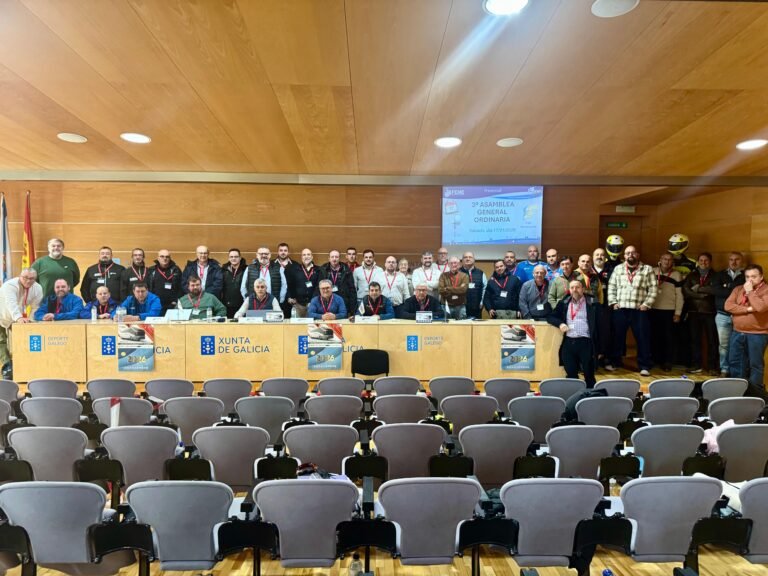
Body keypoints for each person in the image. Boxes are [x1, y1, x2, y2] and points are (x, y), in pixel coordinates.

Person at [607, 245, 657, 376]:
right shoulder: (618, 269)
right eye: (627, 253)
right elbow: (611, 287)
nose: (630, 255)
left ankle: (644, 365)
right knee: (617, 337)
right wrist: (613, 303)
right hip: (620, 309)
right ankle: (615, 362)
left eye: (633, 253)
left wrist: (647, 304)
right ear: (624, 256)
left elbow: (653, 289)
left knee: (643, 338)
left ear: (638, 255)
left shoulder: (647, 269)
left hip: (639, 310)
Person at [725, 264, 768, 399]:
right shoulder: (738, 289)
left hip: (758, 334)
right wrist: (748, 309)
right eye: (747, 277)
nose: (750, 280)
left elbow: (760, 307)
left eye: (754, 277)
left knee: (755, 365)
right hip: (737, 332)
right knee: (735, 362)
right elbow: (728, 306)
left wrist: (750, 293)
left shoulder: (766, 290)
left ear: (761, 277)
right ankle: (737, 393)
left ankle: (754, 396)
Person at [547, 279, 599, 387]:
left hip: (586, 342)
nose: (574, 290)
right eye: (572, 288)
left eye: (577, 287)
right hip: (569, 342)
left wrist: (601, 348)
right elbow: (550, 317)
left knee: (589, 374)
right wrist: (560, 324)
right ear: (569, 290)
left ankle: (591, 396)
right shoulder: (564, 303)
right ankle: (574, 397)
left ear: (583, 289)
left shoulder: (592, 303)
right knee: (571, 373)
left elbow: (602, 326)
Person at [0, 268, 43, 376]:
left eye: (31, 278)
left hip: (15, 317)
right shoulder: (10, 285)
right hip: (2, 313)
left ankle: (25, 364)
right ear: (20, 276)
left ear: (35, 279)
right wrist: (18, 318)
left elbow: (35, 307)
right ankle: (7, 367)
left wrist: (31, 322)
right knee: (1, 341)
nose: (28, 281)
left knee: (23, 338)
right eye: (25, 278)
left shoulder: (37, 288)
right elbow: (11, 303)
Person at [682, 252, 719, 374]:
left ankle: (712, 367)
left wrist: (698, 289)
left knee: (712, 340)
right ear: (698, 261)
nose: (704, 263)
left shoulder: (716, 276)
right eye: (701, 260)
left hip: (710, 311)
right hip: (693, 311)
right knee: (694, 339)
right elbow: (686, 291)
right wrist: (702, 294)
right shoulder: (691, 275)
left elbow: (714, 291)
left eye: (706, 260)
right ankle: (695, 365)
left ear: (710, 262)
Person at [712, 252, 745, 376]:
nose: (734, 262)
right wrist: (735, 289)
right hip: (722, 315)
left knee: (738, 345)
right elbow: (716, 291)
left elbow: (746, 293)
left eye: (737, 259)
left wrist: (726, 288)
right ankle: (724, 369)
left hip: (740, 316)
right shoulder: (719, 275)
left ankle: (736, 371)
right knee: (724, 345)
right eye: (731, 259)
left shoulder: (746, 275)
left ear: (741, 261)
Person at [650, 253, 684, 371]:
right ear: (660, 260)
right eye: (665, 259)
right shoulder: (652, 272)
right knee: (653, 337)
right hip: (652, 309)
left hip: (669, 311)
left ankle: (667, 362)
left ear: (672, 262)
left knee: (668, 338)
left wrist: (678, 313)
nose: (667, 262)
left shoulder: (677, 275)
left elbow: (679, 295)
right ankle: (654, 360)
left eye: (669, 260)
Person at [285, 248, 322, 318]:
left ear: (312, 257)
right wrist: (289, 296)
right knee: (298, 326)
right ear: (301, 257)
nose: (306, 256)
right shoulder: (294, 269)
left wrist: (312, 301)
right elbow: (290, 285)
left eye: (308, 254)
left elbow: (318, 287)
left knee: (312, 326)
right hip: (298, 304)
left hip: (314, 304)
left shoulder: (318, 270)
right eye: (304, 255)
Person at [320, 250, 355, 317]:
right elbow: (318, 287)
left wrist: (352, 310)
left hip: (343, 302)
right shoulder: (323, 269)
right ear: (329, 258)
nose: (334, 259)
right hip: (327, 302)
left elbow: (352, 289)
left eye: (336, 257)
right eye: (332, 257)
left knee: (342, 324)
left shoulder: (346, 270)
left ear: (339, 258)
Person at [148, 249, 183, 313]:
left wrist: (175, 301)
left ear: (170, 258)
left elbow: (181, 287)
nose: (165, 258)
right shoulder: (151, 270)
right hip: (155, 304)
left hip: (172, 305)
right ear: (158, 258)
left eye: (167, 257)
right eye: (162, 256)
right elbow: (148, 287)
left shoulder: (176, 270)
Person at [460, 252, 486, 319]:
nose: (468, 259)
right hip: (461, 308)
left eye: (470, 257)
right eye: (465, 257)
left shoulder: (481, 273)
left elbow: (485, 288)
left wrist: (482, 302)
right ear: (462, 260)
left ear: (474, 259)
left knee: (477, 328)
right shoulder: (457, 272)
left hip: (477, 307)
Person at [221, 248, 246, 318]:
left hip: (242, 304)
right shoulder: (223, 270)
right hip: (227, 304)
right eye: (231, 257)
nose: (233, 259)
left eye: (236, 257)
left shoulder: (246, 269)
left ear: (240, 258)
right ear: (228, 258)